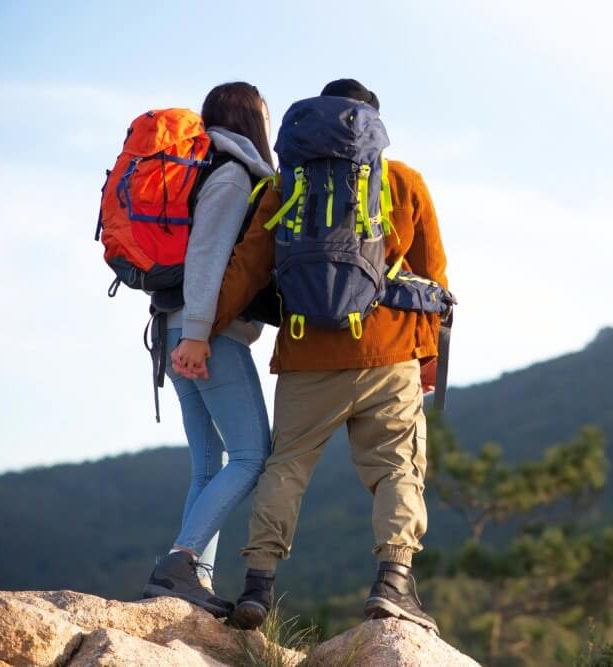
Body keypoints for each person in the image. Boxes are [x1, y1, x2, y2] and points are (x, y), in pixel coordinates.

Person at [173, 79, 447, 633]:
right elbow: (432, 278)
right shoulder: (403, 182)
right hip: (389, 353)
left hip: (305, 355)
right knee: (397, 466)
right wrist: (427, 361)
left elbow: (248, 264)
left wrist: (201, 332)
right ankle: (393, 583)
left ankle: (257, 587)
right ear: (372, 125)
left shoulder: (285, 184)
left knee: (286, 466)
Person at [141, 82, 275, 617]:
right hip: (202, 335)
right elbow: (206, 256)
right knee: (251, 455)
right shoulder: (231, 174)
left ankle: (189, 581)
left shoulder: (201, 169)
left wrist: (187, 332)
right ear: (251, 118)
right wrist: (198, 333)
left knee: (208, 463)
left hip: (174, 331)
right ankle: (182, 560)